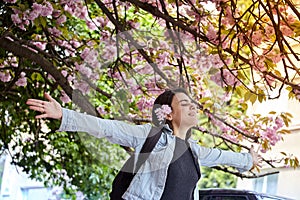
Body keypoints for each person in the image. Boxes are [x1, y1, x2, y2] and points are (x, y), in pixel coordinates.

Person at [26, 88, 260, 200]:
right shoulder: (149, 136)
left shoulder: (193, 149)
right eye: (185, 104)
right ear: (168, 114)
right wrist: (64, 115)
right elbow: (108, 128)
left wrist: (248, 161)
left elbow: (221, 156)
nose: (193, 108)